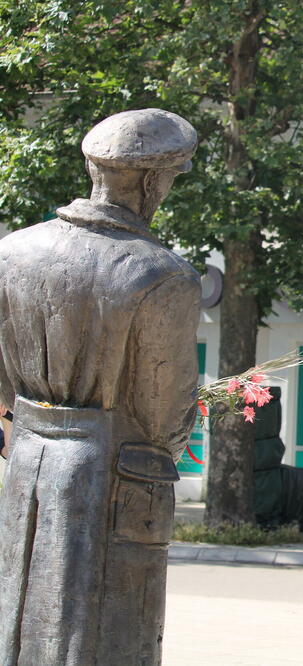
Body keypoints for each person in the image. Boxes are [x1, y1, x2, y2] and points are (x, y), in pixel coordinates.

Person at [0, 109, 201, 664]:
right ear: (153, 182)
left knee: (22, 616)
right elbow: (164, 416)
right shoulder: (162, 275)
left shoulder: (12, 252)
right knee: (106, 631)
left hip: (28, 460)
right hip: (115, 476)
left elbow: (2, 384)